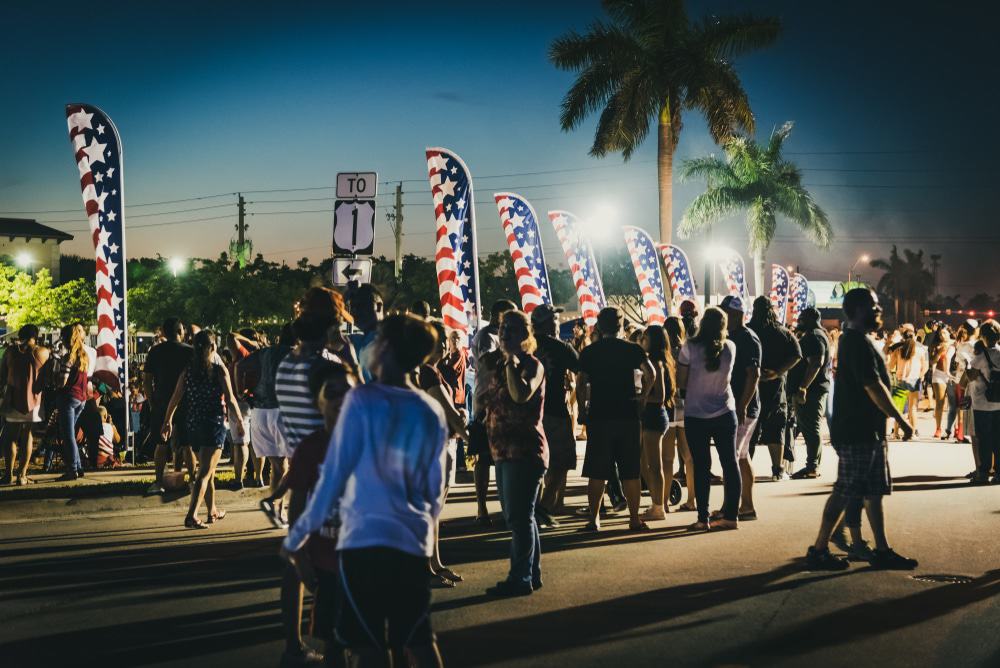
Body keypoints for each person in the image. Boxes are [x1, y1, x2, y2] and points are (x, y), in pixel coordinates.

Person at [282, 314, 446, 667]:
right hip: (412, 542)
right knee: (418, 639)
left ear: (386, 349)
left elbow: (333, 477)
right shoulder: (430, 409)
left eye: (376, 340)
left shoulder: (363, 400)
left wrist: (297, 537)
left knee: (368, 644)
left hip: (364, 543)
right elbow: (435, 488)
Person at [806, 288, 918, 571]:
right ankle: (819, 549)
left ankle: (882, 550)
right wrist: (901, 419)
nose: (878, 310)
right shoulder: (855, 341)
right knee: (845, 490)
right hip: (857, 432)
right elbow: (873, 386)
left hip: (870, 431)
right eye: (873, 306)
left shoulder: (860, 340)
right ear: (857, 310)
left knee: (873, 492)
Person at [267, 360, 358, 668]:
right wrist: (299, 555)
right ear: (319, 403)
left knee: (373, 642)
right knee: (335, 643)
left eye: (347, 391)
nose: (340, 398)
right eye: (331, 392)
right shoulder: (311, 448)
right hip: (328, 564)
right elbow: (297, 505)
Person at [479, 310, 548, 596]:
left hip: (524, 450)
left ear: (526, 335)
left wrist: (511, 364)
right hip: (502, 450)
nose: (505, 333)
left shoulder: (532, 365)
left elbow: (521, 395)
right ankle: (532, 573)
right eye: (503, 328)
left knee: (519, 518)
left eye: (512, 329)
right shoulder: (498, 366)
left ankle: (520, 578)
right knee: (521, 517)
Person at [577, 306, 655, 532]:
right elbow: (651, 373)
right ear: (621, 325)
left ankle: (594, 519)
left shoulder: (590, 352)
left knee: (597, 472)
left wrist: (582, 410)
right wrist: (643, 397)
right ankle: (634, 519)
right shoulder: (632, 349)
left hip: (599, 415)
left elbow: (581, 383)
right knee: (630, 470)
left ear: (600, 326)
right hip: (627, 414)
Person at [162, 330, 245, 529]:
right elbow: (231, 399)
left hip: (193, 425)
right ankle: (191, 515)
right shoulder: (219, 370)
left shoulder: (187, 371)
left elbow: (175, 398)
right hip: (213, 425)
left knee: (209, 470)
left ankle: (212, 510)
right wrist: (240, 421)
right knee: (205, 472)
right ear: (213, 347)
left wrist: (167, 420)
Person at [414, 320, 469, 588]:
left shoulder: (434, 371)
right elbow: (446, 410)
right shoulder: (427, 373)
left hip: (444, 443)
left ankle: (435, 562)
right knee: (429, 509)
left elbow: (451, 408)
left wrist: (461, 414)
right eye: (439, 341)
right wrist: (470, 436)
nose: (445, 346)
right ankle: (425, 567)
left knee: (435, 510)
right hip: (434, 446)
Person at [677, 307, 741, 531]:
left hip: (696, 413)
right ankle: (731, 516)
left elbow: (681, 382)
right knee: (730, 463)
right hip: (725, 411)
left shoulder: (689, 347)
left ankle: (702, 518)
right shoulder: (730, 347)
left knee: (701, 466)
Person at [468, 299, 517, 524]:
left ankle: (507, 507)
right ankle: (482, 508)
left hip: (504, 402)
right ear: (499, 315)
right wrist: (507, 348)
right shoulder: (487, 336)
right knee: (484, 457)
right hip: (486, 403)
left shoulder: (504, 336)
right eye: (510, 316)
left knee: (504, 458)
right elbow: (487, 361)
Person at [532, 304, 580, 524]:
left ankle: (540, 506)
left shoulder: (524, 346)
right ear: (546, 324)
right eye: (555, 319)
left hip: (528, 414)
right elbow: (582, 368)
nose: (558, 323)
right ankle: (545, 506)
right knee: (562, 460)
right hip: (554, 412)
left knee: (536, 464)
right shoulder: (561, 347)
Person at [747, 296, 801, 485]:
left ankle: (744, 468)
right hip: (775, 386)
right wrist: (778, 372)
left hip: (751, 386)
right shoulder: (782, 332)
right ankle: (777, 469)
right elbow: (797, 355)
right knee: (776, 428)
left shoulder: (748, 331)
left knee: (749, 429)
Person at [242, 324, 294, 520]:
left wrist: (241, 392)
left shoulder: (265, 352)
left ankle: (277, 509)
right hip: (281, 412)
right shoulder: (296, 353)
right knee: (300, 464)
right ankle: (279, 503)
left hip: (260, 412)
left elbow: (239, 366)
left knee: (278, 468)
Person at [719, 296, 762, 523]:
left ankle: (731, 507)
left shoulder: (747, 338)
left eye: (726, 312)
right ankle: (746, 506)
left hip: (743, 407)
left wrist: (742, 405)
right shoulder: (734, 336)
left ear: (736, 314)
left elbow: (753, 374)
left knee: (731, 458)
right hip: (742, 405)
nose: (723, 316)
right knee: (742, 457)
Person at [143, 318, 196, 495]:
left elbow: (147, 381)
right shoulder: (190, 351)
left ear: (164, 333)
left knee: (161, 444)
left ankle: (159, 482)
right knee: (188, 445)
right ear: (180, 332)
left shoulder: (155, 351)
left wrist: (151, 402)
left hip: (161, 402)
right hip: (186, 403)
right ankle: (193, 481)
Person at [1, 325, 49, 485]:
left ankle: (8, 474)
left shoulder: (9, 352)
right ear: (35, 336)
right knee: (27, 434)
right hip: (34, 400)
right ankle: (22, 475)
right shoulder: (43, 352)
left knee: (10, 437)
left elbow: (2, 375)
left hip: (12, 399)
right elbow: (48, 375)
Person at [637, 325, 675, 520]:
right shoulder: (660, 361)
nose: (641, 340)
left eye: (645, 337)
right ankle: (656, 502)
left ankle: (658, 507)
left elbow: (659, 396)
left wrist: (640, 398)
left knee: (654, 464)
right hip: (653, 416)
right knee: (646, 463)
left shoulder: (655, 363)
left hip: (654, 415)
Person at [790, 308, 832, 479]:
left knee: (811, 427)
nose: (798, 321)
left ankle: (812, 467)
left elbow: (816, 363)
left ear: (809, 319)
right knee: (806, 426)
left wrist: (803, 387)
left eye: (801, 318)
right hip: (813, 389)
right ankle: (811, 465)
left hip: (812, 391)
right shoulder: (817, 335)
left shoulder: (814, 336)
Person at [663, 316, 696, 511]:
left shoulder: (664, 353)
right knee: (689, 457)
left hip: (668, 406)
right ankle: (692, 499)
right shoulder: (689, 351)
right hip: (687, 405)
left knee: (667, 458)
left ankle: (664, 501)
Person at [54, 324, 91, 481]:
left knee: (67, 436)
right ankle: (78, 467)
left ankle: (72, 470)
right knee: (71, 435)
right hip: (81, 399)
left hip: (68, 398)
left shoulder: (68, 357)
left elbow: (62, 382)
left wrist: (55, 382)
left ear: (67, 338)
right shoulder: (84, 356)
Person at [966, 319, 1000, 484]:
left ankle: (983, 473)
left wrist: (968, 364)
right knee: (998, 439)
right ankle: (999, 474)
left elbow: (970, 377)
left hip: (982, 404)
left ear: (983, 336)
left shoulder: (981, 356)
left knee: (984, 440)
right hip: (999, 404)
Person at [888, 324, 927, 438]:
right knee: (912, 408)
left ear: (903, 337)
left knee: (899, 408)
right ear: (914, 336)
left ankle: (896, 433)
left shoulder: (898, 350)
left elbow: (891, 366)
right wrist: (920, 376)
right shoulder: (921, 350)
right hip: (915, 380)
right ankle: (913, 433)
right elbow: (925, 367)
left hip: (900, 380)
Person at [929, 327, 954, 439]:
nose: (942, 335)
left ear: (949, 333)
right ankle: (938, 428)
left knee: (954, 404)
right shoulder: (937, 346)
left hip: (953, 375)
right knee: (940, 403)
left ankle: (954, 428)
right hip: (939, 375)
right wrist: (939, 353)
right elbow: (932, 361)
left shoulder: (955, 344)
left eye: (944, 333)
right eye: (940, 334)